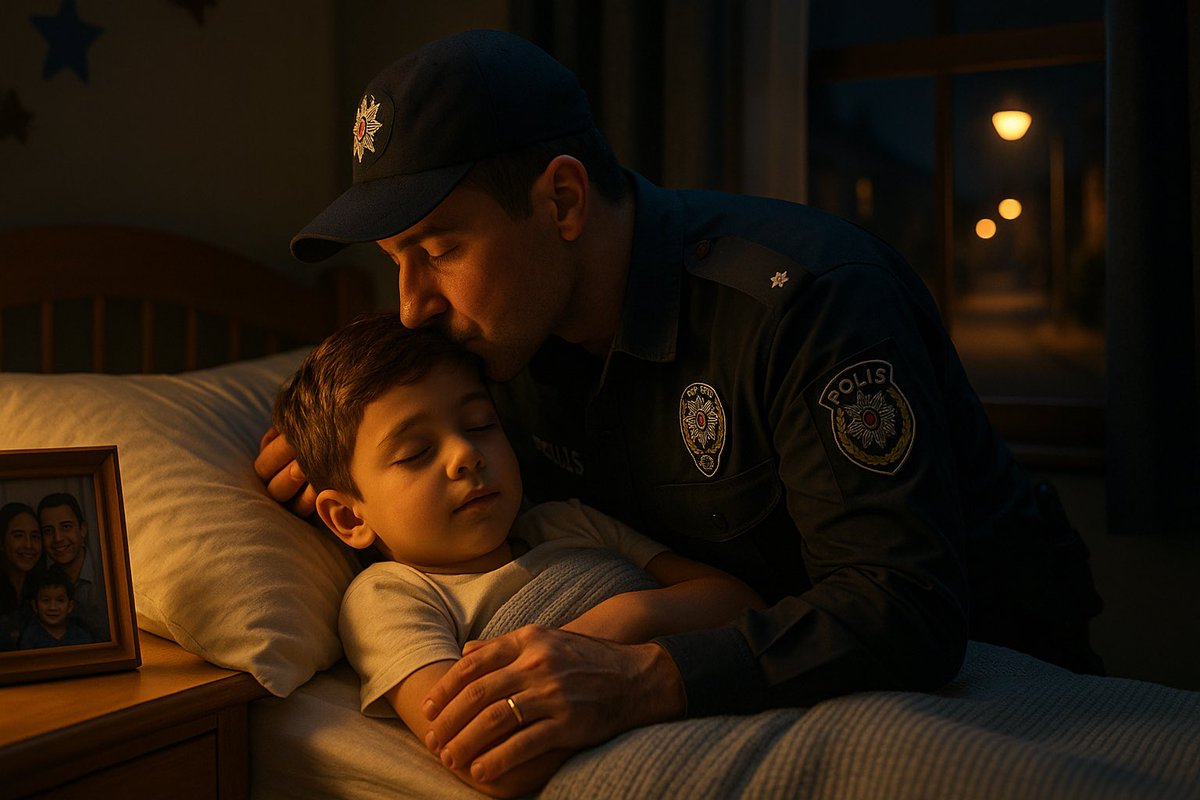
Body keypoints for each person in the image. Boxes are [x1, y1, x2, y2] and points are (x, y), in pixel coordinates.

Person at [257, 29, 1104, 786]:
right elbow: (395, 404)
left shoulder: (804, 301)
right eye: (395, 261)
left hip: (994, 686)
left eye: (440, 249)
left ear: (562, 201)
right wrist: (344, 443)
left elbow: (904, 607)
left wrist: (643, 675)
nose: (412, 306)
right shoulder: (495, 344)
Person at [271, 312, 764, 797]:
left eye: (480, 424)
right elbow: (489, 757)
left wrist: (622, 619)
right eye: (416, 452)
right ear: (349, 517)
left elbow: (742, 603)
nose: (466, 454)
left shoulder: (566, 522)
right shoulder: (390, 597)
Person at [39, 492, 109, 642]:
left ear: (83, 529)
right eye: (48, 531)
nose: (58, 538)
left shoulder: (109, 573)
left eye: (66, 527)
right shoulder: (41, 581)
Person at [0, 502, 45, 651]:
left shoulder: (44, 591)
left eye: (35, 536)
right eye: (18, 536)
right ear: (2, 542)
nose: (29, 545)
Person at [19, 565, 94, 649]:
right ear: (35, 606)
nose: (53, 607)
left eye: (60, 600)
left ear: (70, 606)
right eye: (46, 600)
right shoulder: (30, 637)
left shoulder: (80, 635)